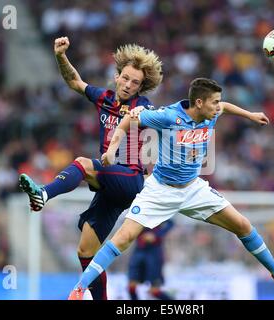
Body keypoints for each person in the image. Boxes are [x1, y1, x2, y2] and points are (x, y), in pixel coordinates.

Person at [67, 77, 274, 300]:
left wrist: (250, 114)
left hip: (194, 189)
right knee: (123, 238)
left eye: (218, 102)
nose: (218, 106)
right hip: (160, 190)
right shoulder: (168, 116)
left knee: (243, 225)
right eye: (214, 102)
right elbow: (128, 121)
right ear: (199, 102)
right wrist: (111, 150)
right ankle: (79, 288)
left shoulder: (211, 113)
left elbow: (226, 107)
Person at [18, 37, 163, 300]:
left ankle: (43, 194)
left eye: (136, 82)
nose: (129, 85)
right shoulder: (104, 98)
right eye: (126, 78)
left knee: (83, 164)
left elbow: (145, 123)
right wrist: (61, 56)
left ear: (142, 87)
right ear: (117, 76)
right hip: (109, 186)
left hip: (130, 178)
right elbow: (74, 81)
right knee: (86, 252)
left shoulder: (142, 107)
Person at [128, 220, 174, 300]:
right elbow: (128, 222)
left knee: (154, 290)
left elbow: (170, 223)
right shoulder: (139, 210)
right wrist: (139, 234)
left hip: (154, 253)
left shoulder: (161, 211)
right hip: (139, 251)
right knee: (131, 284)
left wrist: (156, 235)